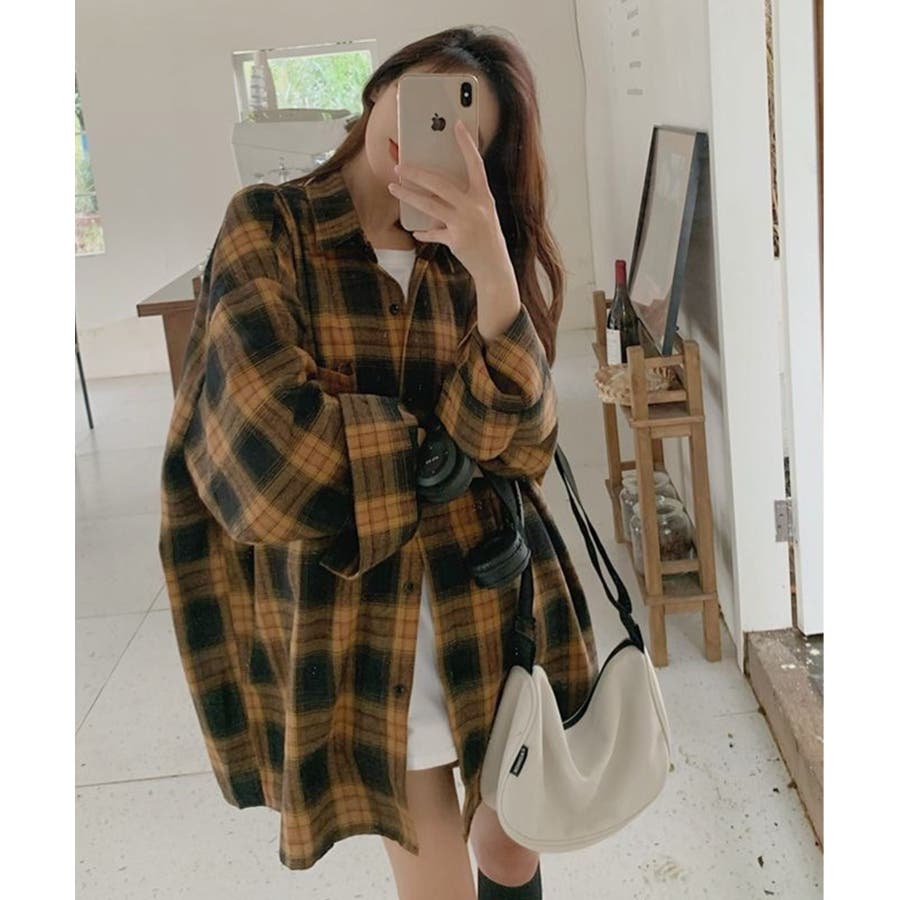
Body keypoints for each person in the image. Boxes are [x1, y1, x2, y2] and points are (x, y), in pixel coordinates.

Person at [158, 24, 600, 900]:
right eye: (430, 100)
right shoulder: (269, 226)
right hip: (362, 622)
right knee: (438, 883)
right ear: (379, 89)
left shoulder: (467, 255)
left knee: (514, 850)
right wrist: (450, 446)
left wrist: (495, 276)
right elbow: (269, 459)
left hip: (494, 603)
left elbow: (526, 445)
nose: (437, 133)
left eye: (468, 133)